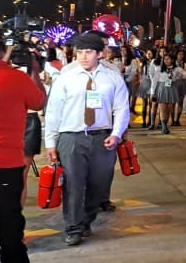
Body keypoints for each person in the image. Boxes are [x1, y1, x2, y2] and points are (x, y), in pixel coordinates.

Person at [44, 32, 130, 246]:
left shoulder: (112, 77)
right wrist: (51, 143)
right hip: (71, 137)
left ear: (100, 54)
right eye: (79, 52)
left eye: (89, 52)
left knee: (98, 184)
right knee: (73, 185)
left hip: (102, 138)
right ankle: (73, 227)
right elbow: (54, 111)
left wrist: (116, 134)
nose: (83, 56)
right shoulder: (66, 77)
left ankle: (87, 219)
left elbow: (122, 108)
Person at [0, 26, 46, 263]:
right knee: (7, 219)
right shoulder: (16, 78)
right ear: (2, 49)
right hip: (5, 163)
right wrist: (33, 69)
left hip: (3, 161)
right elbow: (38, 102)